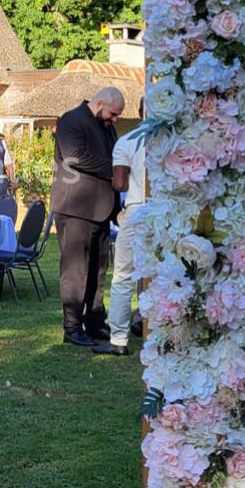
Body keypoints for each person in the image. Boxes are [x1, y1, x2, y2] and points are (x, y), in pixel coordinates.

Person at [51, 87, 123, 347]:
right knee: (75, 270)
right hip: (75, 208)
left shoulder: (107, 128)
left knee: (98, 269)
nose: (114, 119)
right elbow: (75, 158)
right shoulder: (72, 121)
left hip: (101, 209)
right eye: (113, 114)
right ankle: (72, 327)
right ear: (99, 103)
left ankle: (94, 321)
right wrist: (114, 171)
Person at [94, 104, 145, 356]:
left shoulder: (128, 142)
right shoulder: (177, 141)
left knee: (124, 275)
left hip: (138, 211)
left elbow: (120, 183)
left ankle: (119, 339)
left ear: (139, 111)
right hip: (169, 212)